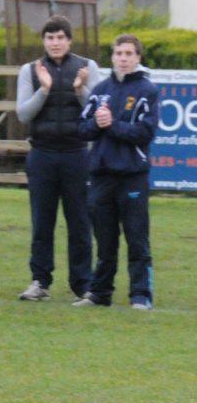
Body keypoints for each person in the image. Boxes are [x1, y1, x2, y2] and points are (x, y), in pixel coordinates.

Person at [15, 15, 98, 302]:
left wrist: (79, 89)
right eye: (50, 37)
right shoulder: (30, 70)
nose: (55, 42)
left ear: (69, 40)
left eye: (60, 37)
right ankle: (40, 281)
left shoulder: (88, 67)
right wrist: (45, 89)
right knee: (42, 222)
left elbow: (97, 111)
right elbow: (24, 113)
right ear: (44, 41)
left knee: (79, 222)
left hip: (77, 154)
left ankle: (84, 284)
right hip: (42, 155)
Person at [74, 34, 159, 310]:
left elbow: (145, 133)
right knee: (105, 240)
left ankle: (140, 295)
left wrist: (111, 125)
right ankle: (100, 293)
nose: (122, 58)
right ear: (112, 56)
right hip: (101, 175)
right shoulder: (101, 89)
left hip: (132, 175)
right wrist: (98, 124)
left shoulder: (148, 91)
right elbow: (82, 128)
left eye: (128, 53)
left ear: (137, 58)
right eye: (118, 53)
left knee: (136, 238)